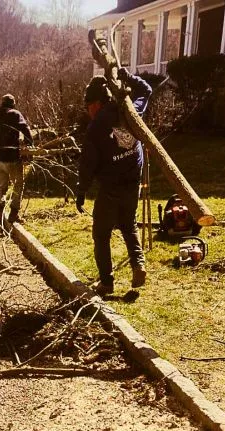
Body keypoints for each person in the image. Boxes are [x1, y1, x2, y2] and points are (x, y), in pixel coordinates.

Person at [76, 69, 152, 295]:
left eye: (89, 106)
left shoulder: (95, 128)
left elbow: (87, 165)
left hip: (110, 188)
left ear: (97, 103)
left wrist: (81, 191)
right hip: (132, 183)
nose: (88, 111)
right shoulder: (128, 110)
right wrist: (129, 78)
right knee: (129, 226)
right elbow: (146, 90)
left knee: (101, 234)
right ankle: (138, 265)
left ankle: (107, 283)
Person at [0, 94, 33, 224]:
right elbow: (25, 129)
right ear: (13, 103)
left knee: (1, 187)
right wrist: (29, 144)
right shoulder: (15, 114)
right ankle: (13, 213)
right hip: (11, 156)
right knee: (18, 185)